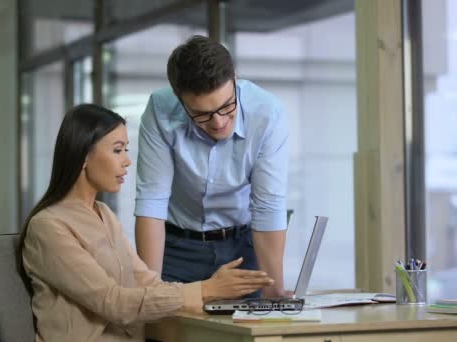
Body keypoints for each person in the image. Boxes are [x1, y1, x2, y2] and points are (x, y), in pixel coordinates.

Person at [18, 104, 273, 341]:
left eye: (126, 150)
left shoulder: (104, 214)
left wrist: (213, 291)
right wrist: (205, 290)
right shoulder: (48, 227)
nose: (127, 161)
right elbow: (113, 302)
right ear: (83, 156)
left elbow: (147, 283)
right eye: (117, 150)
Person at [135, 35, 289, 298]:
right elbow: (152, 201)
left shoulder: (267, 113)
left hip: (243, 248)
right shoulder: (160, 110)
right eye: (202, 114)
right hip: (177, 249)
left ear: (235, 79)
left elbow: (268, 206)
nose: (218, 122)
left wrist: (274, 291)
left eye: (226, 106)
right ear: (179, 98)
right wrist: (149, 293)